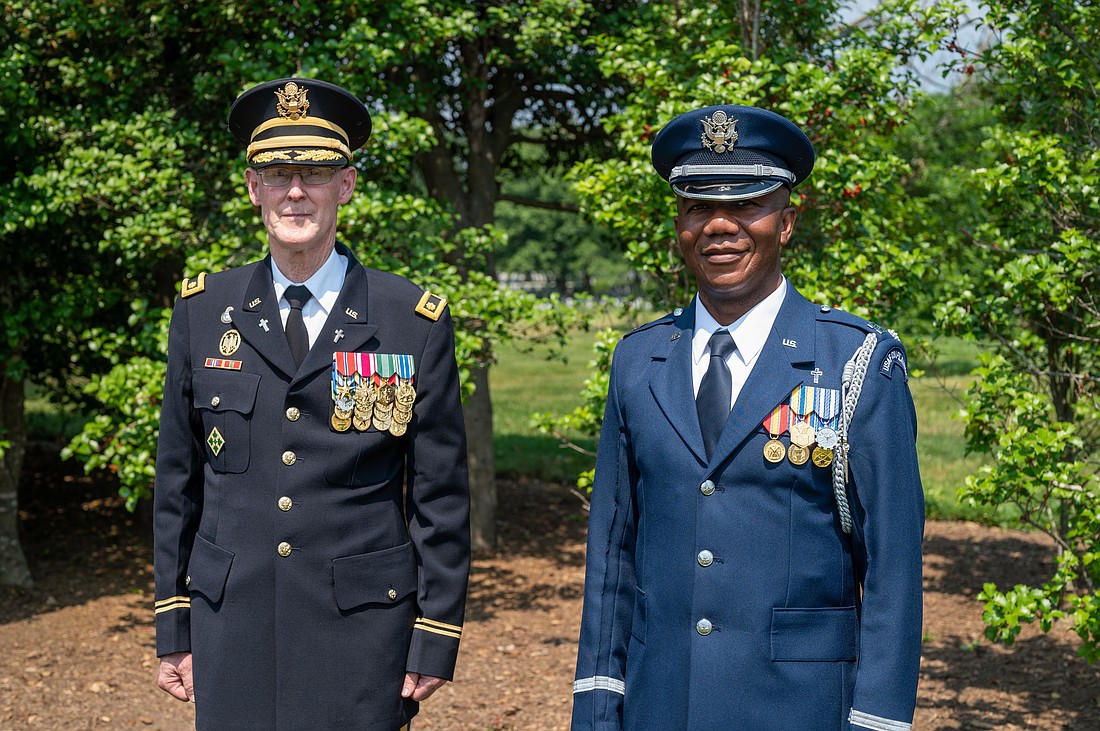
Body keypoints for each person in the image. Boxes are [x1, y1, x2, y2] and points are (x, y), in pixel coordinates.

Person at [570, 105, 924, 731]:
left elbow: (893, 567)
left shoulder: (857, 361)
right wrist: (597, 712)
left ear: (786, 223)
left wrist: (878, 722)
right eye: (698, 207)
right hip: (661, 705)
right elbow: (612, 561)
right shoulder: (640, 360)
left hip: (801, 708)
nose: (721, 227)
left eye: (748, 205)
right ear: (678, 224)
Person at [152, 78, 471, 731]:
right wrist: (172, 621)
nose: (295, 190)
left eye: (316, 173)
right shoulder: (203, 310)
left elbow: (440, 497)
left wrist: (434, 632)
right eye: (276, 172)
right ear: (252, 187)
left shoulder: (408, 320)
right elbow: (177, 483)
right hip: (230, 621)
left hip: (361, 631)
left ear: (346, 186)